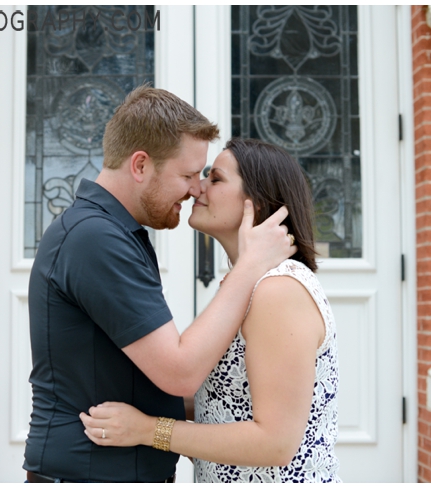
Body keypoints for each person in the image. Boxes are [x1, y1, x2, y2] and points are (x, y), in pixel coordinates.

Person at [23, 87, 296, 483]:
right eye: (187, 175)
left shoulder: (115, 232)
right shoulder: (95, 238)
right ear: (140, 166)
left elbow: (154, 380)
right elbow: (179, 372)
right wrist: (250, 265)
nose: (194, 189)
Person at [78, 138, 341, 482]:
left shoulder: (278, 291)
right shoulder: (249, 285)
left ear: (256, 203)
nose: (197, 188)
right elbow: (225, 404)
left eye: (215, 179)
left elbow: (276, 442)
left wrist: (147, 430)